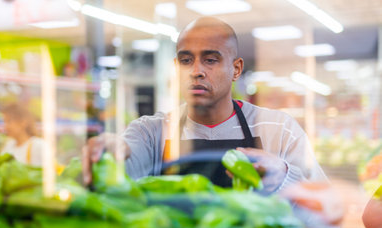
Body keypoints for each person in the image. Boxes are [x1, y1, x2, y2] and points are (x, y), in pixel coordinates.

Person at [82, 17, 327, 192]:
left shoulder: (278, 130)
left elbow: (325, 212)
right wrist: (110, 152)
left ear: (236, 69)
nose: (196, 71)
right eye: (186, 60)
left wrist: (284, 175)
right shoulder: (150, 132)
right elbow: (121, 168)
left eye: (210, 60)